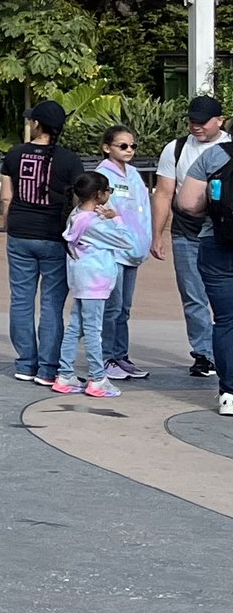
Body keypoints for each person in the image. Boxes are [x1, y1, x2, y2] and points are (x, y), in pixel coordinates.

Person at [1, 100, 73, 385]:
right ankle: (47, 368)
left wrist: (12, 222)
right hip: (54, 235)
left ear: (37, 124)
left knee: (21, 299)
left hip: (20, 233)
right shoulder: (69, 159)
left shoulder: (14, 154)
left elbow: (6, 197)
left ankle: (25, 363)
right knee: (52, 303)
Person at [165, 120, 233, 415]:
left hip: (216, 242)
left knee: (226, 320)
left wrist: (214, 213)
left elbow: (187, 203)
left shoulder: (214, 155)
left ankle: (229, 392)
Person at [153, 97, 223, 383]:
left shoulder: (227, 148)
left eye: (202, 121)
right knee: (193, 297)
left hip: (222, 233)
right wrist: (157, 234)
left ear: (219, 120)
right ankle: (204, 353)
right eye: (192, 120)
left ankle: (224, 351)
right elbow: (163, 193)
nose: (196, 126)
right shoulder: (176, 148)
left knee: (223, 298)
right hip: (186, 231)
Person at [58, 170, 138, 398]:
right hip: (96, 280)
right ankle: (97, 378)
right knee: (94, 330)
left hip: (81, 278)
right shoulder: (95, 224)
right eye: (108, 191)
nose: (109, 195)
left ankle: (65, 373)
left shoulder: (76, 214)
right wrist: (116, 218)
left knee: (76, 327)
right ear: (98, 195)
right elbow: (127, 242)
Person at [97, 126, 152, 378]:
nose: (129, 150)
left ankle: (121, 355)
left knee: (125, 307)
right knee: (113, 306)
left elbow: (143, 211)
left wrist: (147, 240)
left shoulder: (134, 174)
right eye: (123, 146)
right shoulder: (102, 176)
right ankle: (106, 357)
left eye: (132, 146)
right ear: (108, 147)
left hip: (133, 249)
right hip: (114, 250)